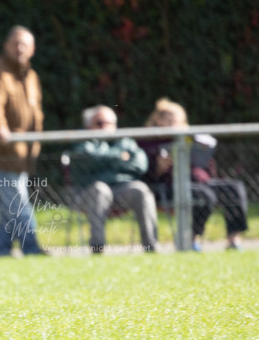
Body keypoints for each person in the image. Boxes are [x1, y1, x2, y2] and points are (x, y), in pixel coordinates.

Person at [140, 98, 248, 251]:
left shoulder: (190, 138)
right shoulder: (147, 140)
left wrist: (204, 157)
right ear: (158, 119)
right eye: (169, 120)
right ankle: (191, 239)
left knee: (233, 188)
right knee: (204, 195)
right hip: (169, 186)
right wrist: (158, 166)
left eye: (177, 120)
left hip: (201, 181)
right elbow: (145, 174)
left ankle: (233, 239)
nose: (174, 124)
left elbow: (207, 167)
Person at [0, 25, 48, 257]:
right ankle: (32, 247)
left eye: (24, 44)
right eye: (15, 43)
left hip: (25, 154)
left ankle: (2, 250)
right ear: (6, 46)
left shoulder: (32, 76)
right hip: (3, 151)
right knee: (18, 202)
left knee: (10, 204)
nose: (20, 48)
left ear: (33, 49)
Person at [69, 105, 158, 254]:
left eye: (109, 123)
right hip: (87, 193)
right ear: (88, 125)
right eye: (99, 123)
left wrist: (104, 159)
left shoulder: (126, 141)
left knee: (140, 190)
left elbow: (140, 164)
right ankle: (97, 248)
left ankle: (151, 247)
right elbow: (90, 160)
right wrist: (120, 157)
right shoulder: (82, 140)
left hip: (121, 190)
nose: (105, 127)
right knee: (100, 190)